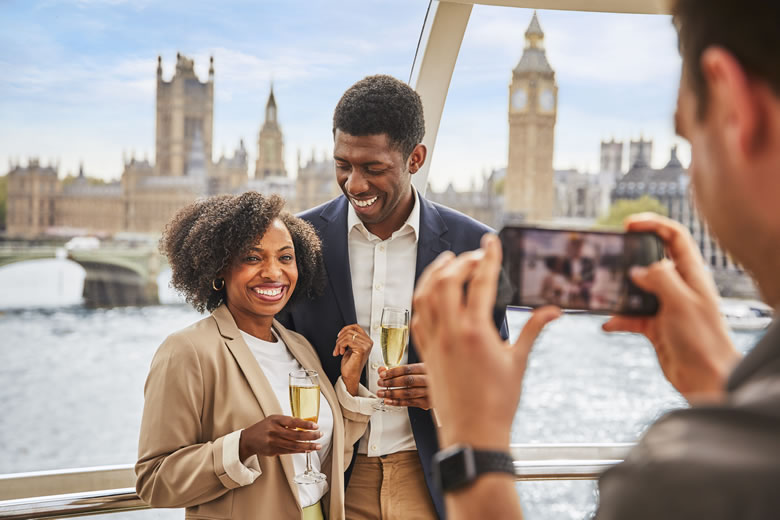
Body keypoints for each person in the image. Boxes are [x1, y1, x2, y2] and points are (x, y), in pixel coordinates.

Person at [410, 0, 780, 518]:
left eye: (689, 135)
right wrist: (720, 381)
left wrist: (473, 440)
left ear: (733, 106)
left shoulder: (685, 484)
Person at [277, 74, 509, 519]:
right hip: (331, 478)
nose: (354, 184)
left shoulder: (476, 248)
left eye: (373, 168)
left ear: (415, 158)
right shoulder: (296, 243)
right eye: (342, 164)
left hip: (433, 482)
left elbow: (499, 372)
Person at [135, 192, 374, 520]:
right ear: (218, 269)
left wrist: (348, 382)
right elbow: (155, 482)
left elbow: (323, 462)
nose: (273, 272)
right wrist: (244, 444)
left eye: (285, 257)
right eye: (253, 258)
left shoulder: (299, 347)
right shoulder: (187, 351)